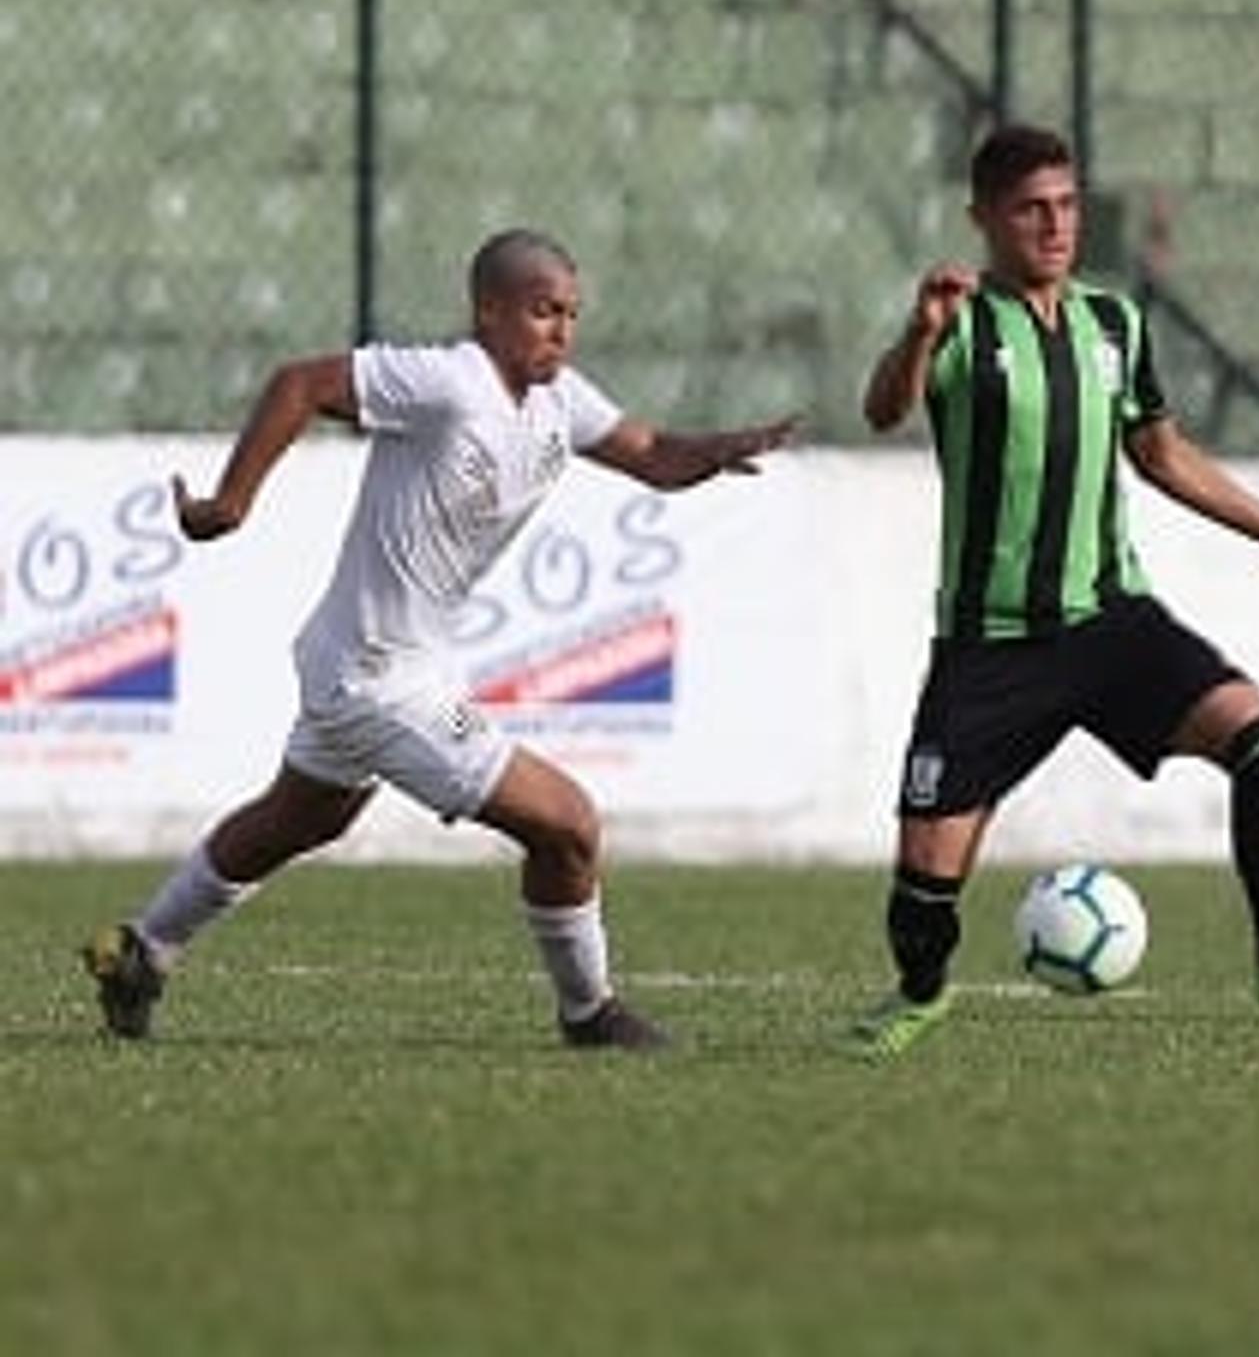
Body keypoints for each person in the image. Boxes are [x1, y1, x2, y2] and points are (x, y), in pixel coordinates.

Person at [81, 229, 794, 1051]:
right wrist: (232, 503)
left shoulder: (560, 400)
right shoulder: (448, 380)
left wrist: (719, 448)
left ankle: (142, 952)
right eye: (541, 310)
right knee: (567, 825)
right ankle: (590, 1013)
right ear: (488, 312)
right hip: (375, 675)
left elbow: (656, 456)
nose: (560, 329)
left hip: (380, 662)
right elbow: (301, 382)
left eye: (570, 313)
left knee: (301, 819)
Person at [847, 124, 1259, 1059]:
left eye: (1066, 206)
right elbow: (882, 410)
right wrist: (918, 331)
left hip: (1113, 623)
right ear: (983, 217)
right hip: (991, 643)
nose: (1055, 225)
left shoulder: (1116, 324)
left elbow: (1160, 454)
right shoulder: (960, 321)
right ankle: (918, 995)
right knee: (922, 885)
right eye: (1031, 209)